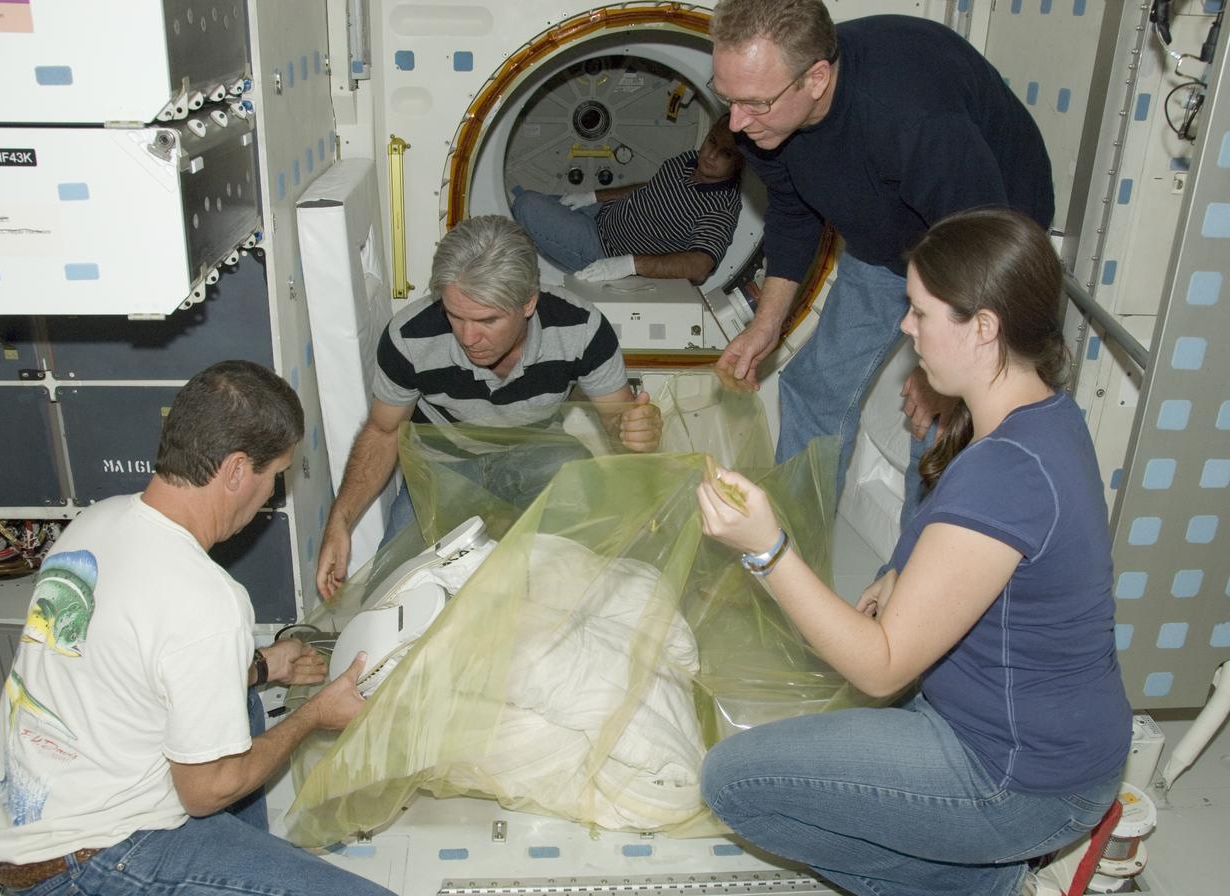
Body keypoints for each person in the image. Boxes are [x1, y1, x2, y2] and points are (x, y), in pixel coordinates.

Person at [696, 209, 1130, 896]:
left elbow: (881, 667)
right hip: (1047, 745)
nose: (906, 326)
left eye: (922, 312)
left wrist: (767, 549)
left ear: (983, 327)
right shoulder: (1044, 415)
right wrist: (902, 571)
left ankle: (986, 885)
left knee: (733, 783)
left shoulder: (1003, 472)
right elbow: (975, 542)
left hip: (1019, 782)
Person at [0, 360, 393, 896]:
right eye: (274, 476)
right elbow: (207, 791)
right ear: (236, 471)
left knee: (242, 704)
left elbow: (135, 666)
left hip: (17, 832)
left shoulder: (96, 522)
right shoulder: (206, 598)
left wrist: (262, 666)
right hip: (84, 862)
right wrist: (315, 714)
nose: (271, 493)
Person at [708, 0, 1055, 520]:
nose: (736, 121)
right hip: (889, 238)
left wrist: (944, 374)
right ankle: (789, 554)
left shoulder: (914, 117)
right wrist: (767, 323)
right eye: (727, 97)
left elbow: (980, 249)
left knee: (939, 425)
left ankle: (918, 566)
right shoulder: (759, 117)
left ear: (816, 79)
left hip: (987, 244)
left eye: (754, 102)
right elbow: (792, 208)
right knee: (814, 387)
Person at [316, 214, 661, 600]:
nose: (468, 337)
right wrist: (340, 520)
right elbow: (383, 431)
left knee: (594, 580)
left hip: (539, 458)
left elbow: (618, 420)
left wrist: (636, 430)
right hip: (442, 468)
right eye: (454, 315)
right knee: (389, 597)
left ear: (528, 303)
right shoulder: (409, 337)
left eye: (487, 320)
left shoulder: (581, 327)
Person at [510, 114, 743, 284]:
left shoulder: (721, 206)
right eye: (712, 141)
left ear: (740, 162)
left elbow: (700, 267)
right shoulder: (688, 160)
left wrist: (629, 264)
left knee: (526, 205)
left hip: (604, 250)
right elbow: (650, 189)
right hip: (600, 212)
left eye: (725, 153)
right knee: (523, 208)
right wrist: (592, 196)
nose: (711, 155)